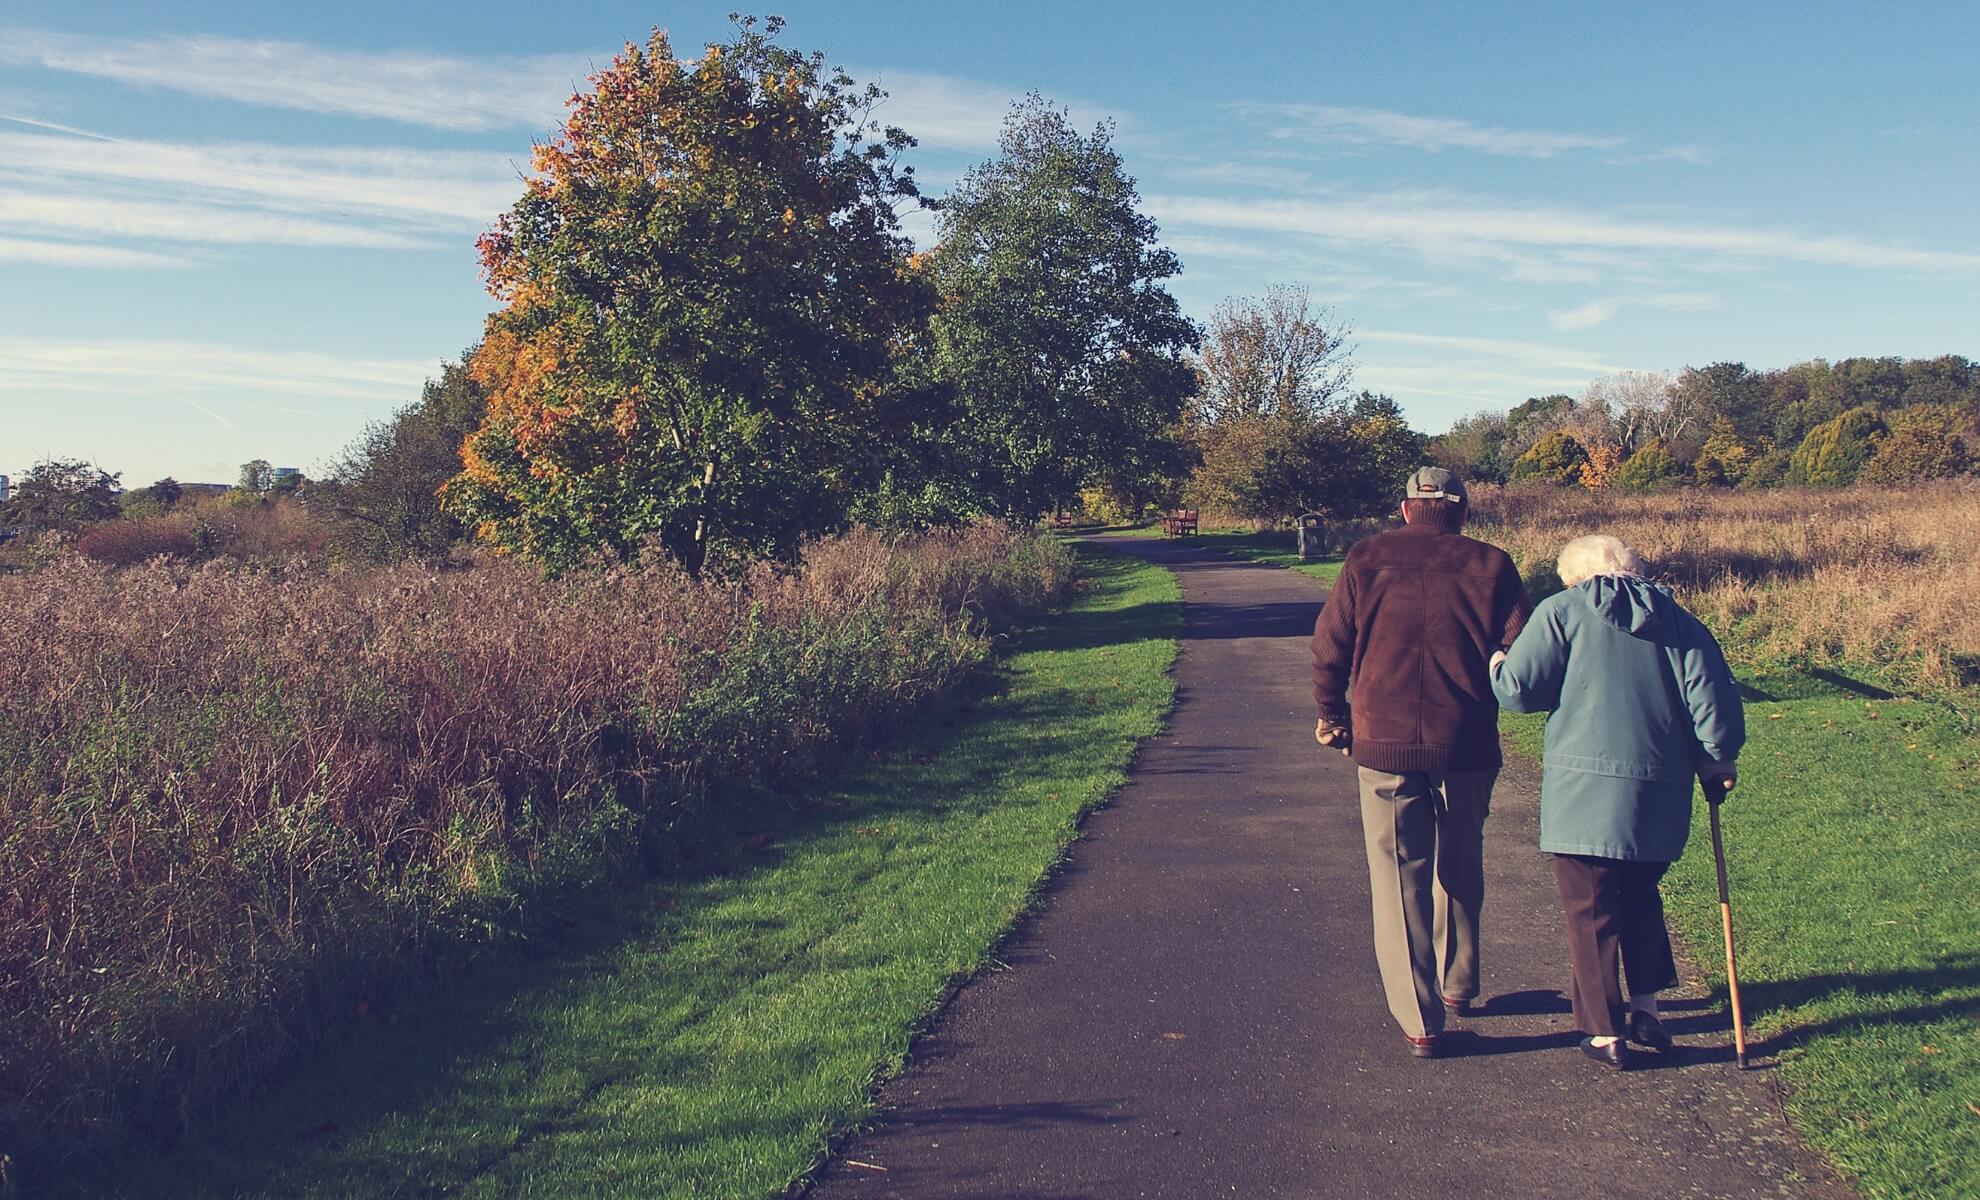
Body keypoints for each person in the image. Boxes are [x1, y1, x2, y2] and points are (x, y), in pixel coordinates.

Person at [1489, 534, 1745, 1070]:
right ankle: (1647, 1007)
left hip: (1583, 791)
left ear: (1575, 577)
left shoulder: (1562, 611)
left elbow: (1518, 690)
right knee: (1640, 894)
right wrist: (1718, 759)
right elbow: (1712, 703)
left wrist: (1496, 662)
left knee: (1590, 907)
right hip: (1660, 790)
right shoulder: (1680, 620)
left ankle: (1604, 1031)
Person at [1311, 467, 1532, 1059]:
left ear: (1407, 509)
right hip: (1466, 740)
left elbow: (1329, 646)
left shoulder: (1366, 558)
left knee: (1397, 874)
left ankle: (1420, 1018)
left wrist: (1333, 715)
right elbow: (1521, 650)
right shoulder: (1492, 565)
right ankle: (1459, 982)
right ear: (1462, 511)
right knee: (1461, 859)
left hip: (1383, 741)